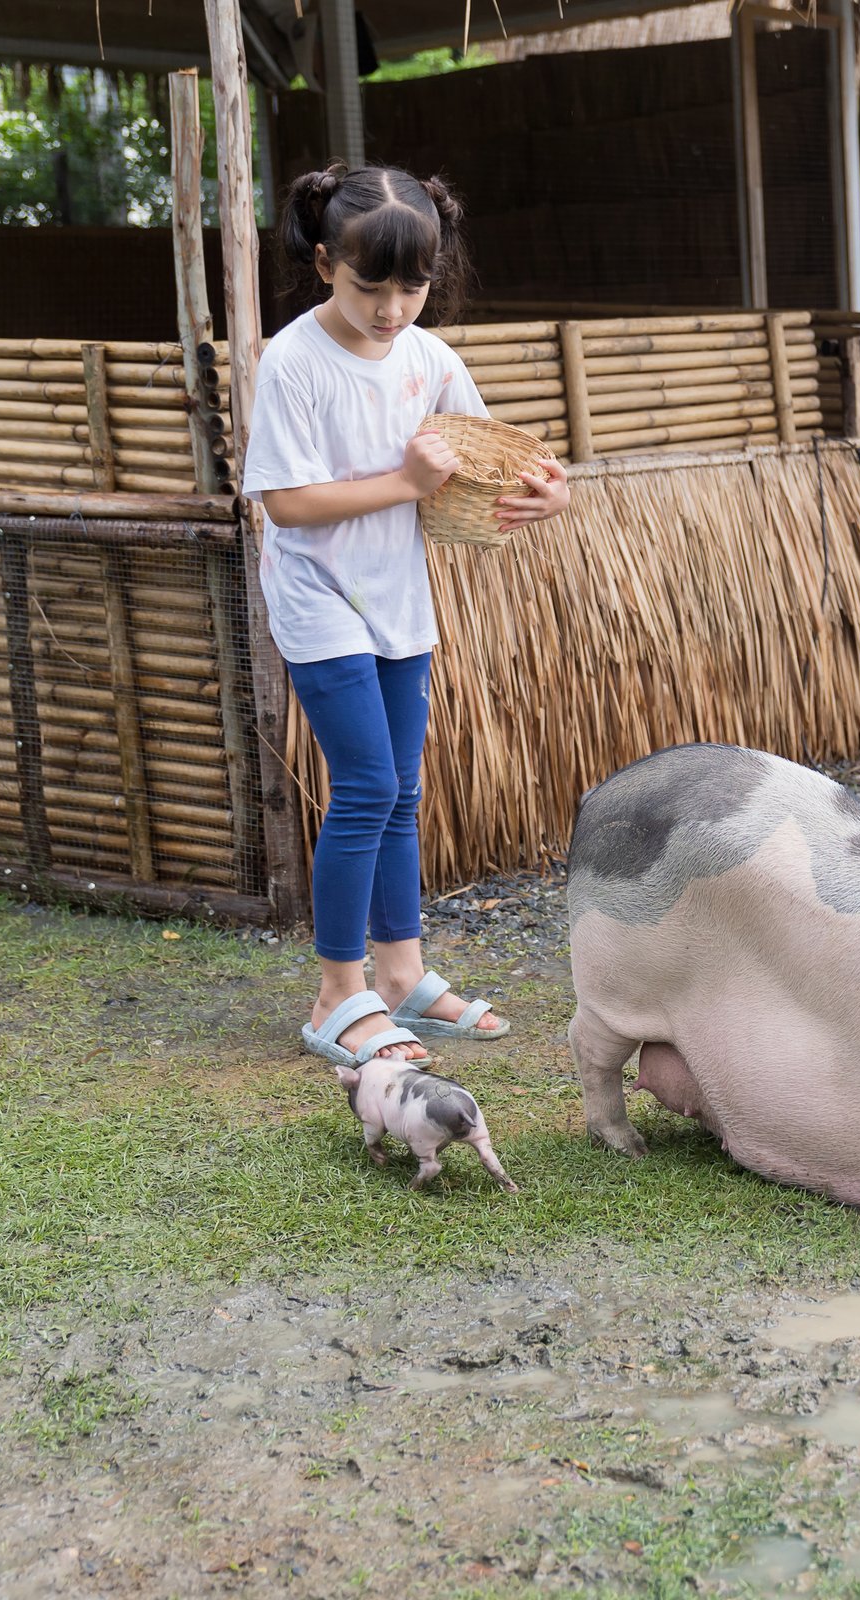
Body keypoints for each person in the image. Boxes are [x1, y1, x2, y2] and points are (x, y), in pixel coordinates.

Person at [242, 163, 570, 1069]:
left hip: (398, 598)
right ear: (323, 266)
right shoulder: (294, 360)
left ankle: (401, 975)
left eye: (412, 288)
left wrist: (549, 495)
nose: (391, 310)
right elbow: (288, 502)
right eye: (368, 287)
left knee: (402, 791)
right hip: (318, 597)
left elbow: (491, 462)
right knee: (365, 789)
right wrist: (404, 482)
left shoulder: (432, 359)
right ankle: (336, 997)